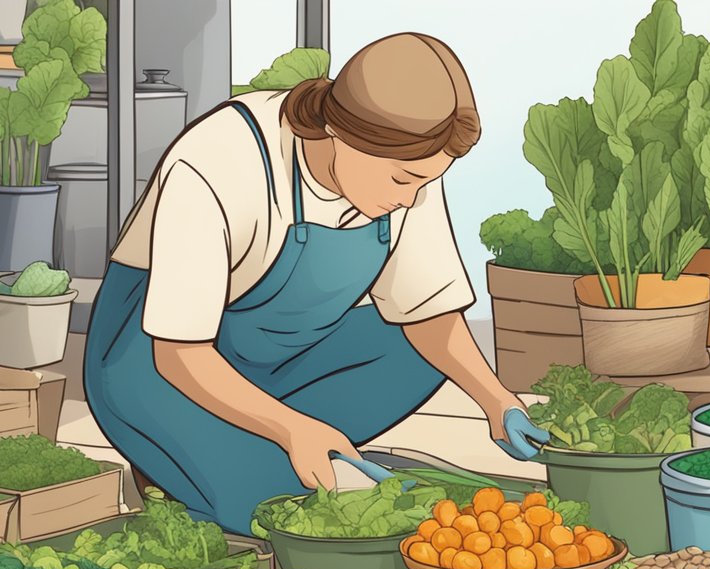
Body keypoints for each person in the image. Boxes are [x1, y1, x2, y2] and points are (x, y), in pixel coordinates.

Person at [84, 33, 549, 534]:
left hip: (280, 360)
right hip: (154, 363)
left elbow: (429, 313)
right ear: (337, 132)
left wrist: (496, 400)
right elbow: (178, 353)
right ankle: (187, 456)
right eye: (401, 181)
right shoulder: (221, 158)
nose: (412, 200)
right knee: (275, 512)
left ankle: (255, 446)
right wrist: (291, 427)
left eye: (425, 182)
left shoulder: (407, 173)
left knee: (418, 352)